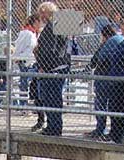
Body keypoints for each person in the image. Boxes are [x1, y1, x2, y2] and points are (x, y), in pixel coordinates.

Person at [34, 1, 71, 137]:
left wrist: (43, 65)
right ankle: (53, 126)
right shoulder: (59, 24)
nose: (40, 16)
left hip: (52, 68)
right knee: (53, 99)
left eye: (41, 13)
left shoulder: (52, 26)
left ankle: (54, 128)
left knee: (52, 99)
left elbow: (50, 50)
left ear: (46, 12)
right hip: (58, 66)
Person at [84, 24, 124, 139]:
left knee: (100, 104)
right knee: (113, 105)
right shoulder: (121, 40)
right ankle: (113, 131)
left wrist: (89, 68)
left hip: (104, 77)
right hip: (116, 77)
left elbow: (97, 59)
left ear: (104, 35)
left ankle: (100, 129)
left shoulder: (108, 43)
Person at [12, 13, 42, 107]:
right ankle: (23, 104)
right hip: (25, 62)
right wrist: (16, 57)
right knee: (24, 84)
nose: (40, 24)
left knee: (34, 83)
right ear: (35, 22)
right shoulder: (26, 33)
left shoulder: (34, 33)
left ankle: (32, 103)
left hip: (33, 62)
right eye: (39, 22)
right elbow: (19, 46)